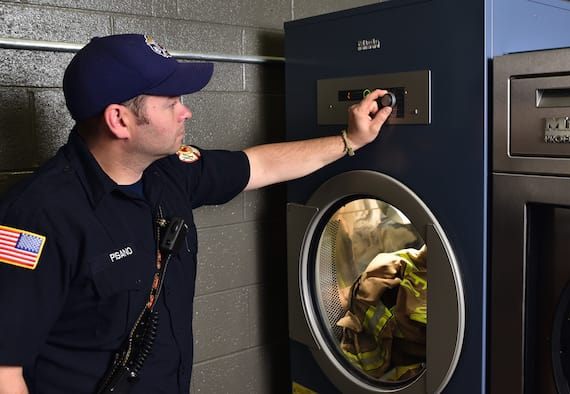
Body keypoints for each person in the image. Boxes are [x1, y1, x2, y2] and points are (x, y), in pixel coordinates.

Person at [0, 33, 392, 393]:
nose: (185, 112)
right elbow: (6, 371)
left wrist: (349, 140)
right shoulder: (37, 216)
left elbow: (260, 165)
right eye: (171, 103)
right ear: (119, 119)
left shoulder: (169, 172)